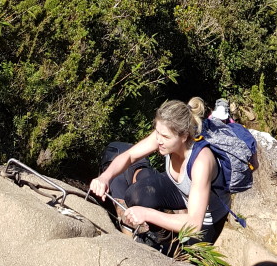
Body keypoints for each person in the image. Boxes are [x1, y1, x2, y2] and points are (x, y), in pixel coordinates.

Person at [89, 98, 229, 247]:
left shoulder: (201, 162)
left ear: (184, 136)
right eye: (157, 132)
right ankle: (163, 236)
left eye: (166, 137)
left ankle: (171, 244)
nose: (159, 140)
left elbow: (194, 225)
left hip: (207, 215)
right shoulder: (163, 135)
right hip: (181, 190)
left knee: (189, 257)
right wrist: (105, 177)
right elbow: (129, 156)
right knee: (137, 194)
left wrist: (146, 214)